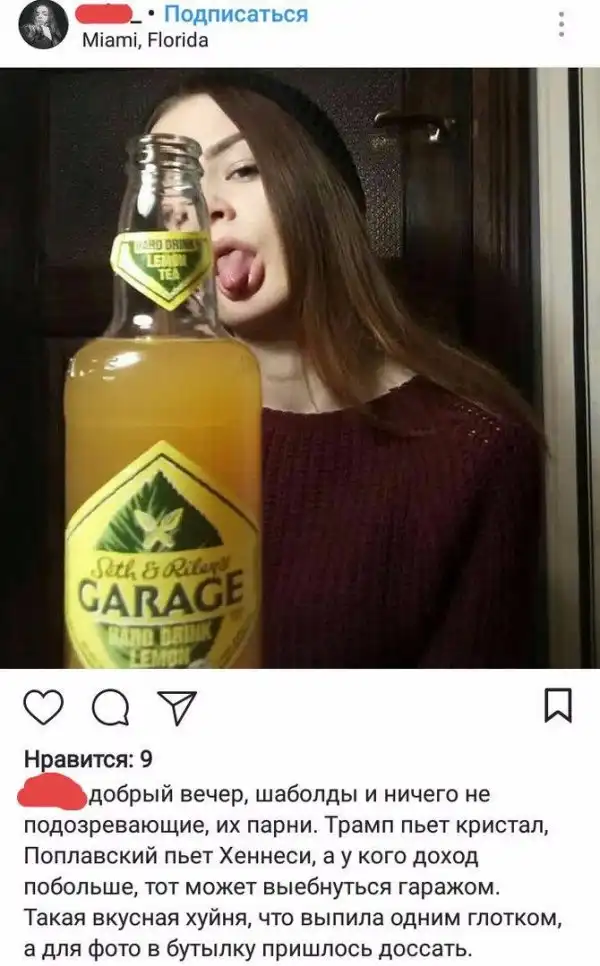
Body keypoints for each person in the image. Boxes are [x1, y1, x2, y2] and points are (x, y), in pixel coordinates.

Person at [145, 70, 545, 669]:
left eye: (243, 169)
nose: (205, 209)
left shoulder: (477, 447)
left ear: (323, 191)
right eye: (175, 193)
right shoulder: (133, 422)